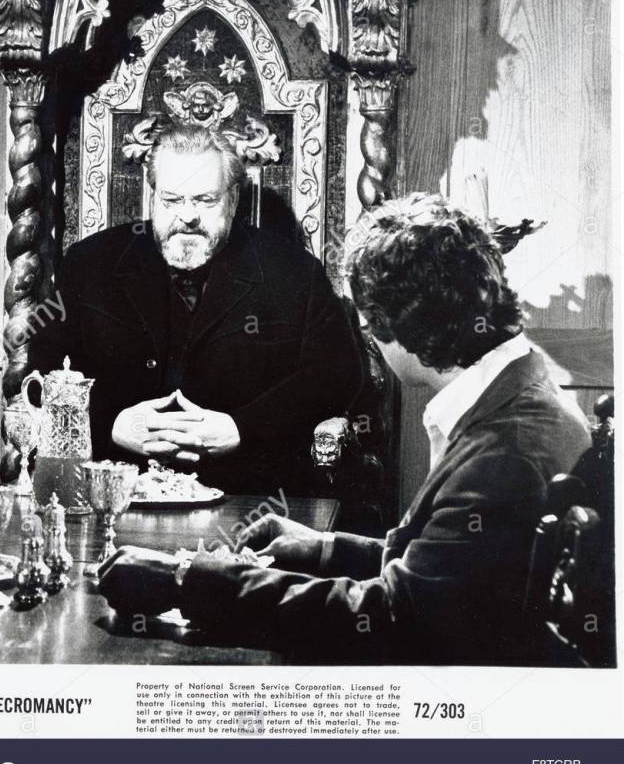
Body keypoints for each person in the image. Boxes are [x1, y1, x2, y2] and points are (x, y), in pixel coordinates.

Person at [98, 194, 592, 665]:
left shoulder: (506, 450)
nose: (363, 331)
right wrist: (323, 548)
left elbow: (396, 617)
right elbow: (448, 568)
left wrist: (187, 580)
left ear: (400, 322)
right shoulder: (517, 395)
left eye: (366, 318)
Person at [33, 124, 365, 494]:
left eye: (205, 200)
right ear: (152, 196)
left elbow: (338, 375)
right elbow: (41, 372)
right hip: (111, 493)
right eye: (172, 200)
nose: (188, 216)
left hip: (248, 498)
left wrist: (242, 429)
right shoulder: (90, 263)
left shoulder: (293, 271)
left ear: (232, 200)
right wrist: (109, 423)